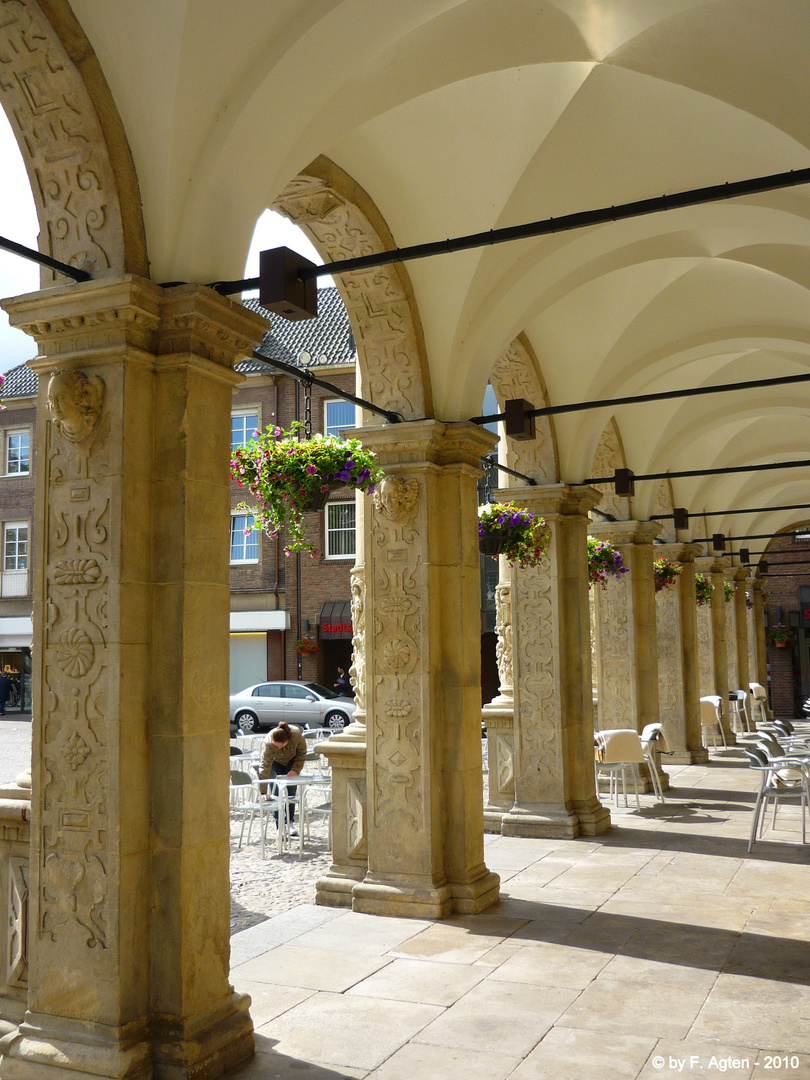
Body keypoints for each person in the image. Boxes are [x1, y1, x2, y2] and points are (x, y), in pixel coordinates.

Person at [259, 722, 308, 833]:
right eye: (276, 745)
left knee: (290, 791)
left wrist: (295, 770)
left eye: (280, 745)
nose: (278, 747)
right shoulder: (268, 743)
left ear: (287, 740)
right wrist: (263, 791)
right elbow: (265, 765)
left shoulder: (296, 735)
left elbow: (302, 753)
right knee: (276, 792)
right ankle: (279, 825)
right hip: (275, 762)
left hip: (292, 761)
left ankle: (289, 821)